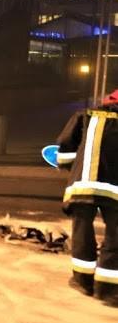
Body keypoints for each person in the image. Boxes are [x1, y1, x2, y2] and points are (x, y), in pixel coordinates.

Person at [55, 89, 118, 304]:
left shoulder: (85, 115)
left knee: (82, 229)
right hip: (115, 189)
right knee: (115, 235)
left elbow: (64, 152)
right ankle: (108, 290)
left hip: (83, 185)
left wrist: (70, 166)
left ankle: (83, 281)